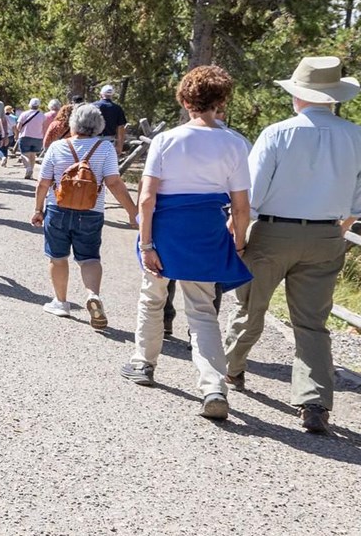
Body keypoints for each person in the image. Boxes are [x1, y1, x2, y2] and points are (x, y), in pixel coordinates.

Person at [223, 56, 361, 434]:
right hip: (326, 235)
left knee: (252, 308)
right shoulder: (356, 135)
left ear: (297, 96)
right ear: (333, 97)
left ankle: (231, 370)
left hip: (273, 231)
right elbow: (357, 202)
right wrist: (338, 226)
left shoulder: (277, 133)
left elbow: (250, 196)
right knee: (313, 323)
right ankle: (314, 401)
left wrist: (238, 235)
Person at [120, 66, 253, 421]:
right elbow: (241, 208)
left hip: (165, 228)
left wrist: (146, 243)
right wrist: (237, 244)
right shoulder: (237, 144)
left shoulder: (167, 140)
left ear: (184, 99)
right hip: (207, 231)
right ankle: (213, 386)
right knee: (203, 311)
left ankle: (143, 363)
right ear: (222, 101)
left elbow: (147, 198)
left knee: (152, 297)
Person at [33, 103, 139, 326]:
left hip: (57, 209)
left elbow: (43, 183)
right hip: (91, 212)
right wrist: (133, 212)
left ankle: (61, 303)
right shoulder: (106, 148)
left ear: (73, 124)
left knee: (58, 257)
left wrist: (38, 210)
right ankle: (93, 295)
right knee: (89, 258)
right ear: (99, 126)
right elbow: (114, 183)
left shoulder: (57, 147)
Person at [17, 98, 49, 178]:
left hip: (25, 136)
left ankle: (28, 168)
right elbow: (44, 128)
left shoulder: (24, 114)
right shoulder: (42, 115)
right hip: (38, 138)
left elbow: (18, 127)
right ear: (38, 106)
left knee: (24, 154)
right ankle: (31, 173)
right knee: (33, 155)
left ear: (30, 105)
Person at [96, 83, 128, 151]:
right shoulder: (117, 108)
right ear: (112, 95)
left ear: (101, 94)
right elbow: (120, 128)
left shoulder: (92, 106)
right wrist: (119, 146)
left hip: (93, 141)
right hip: (109, 142)